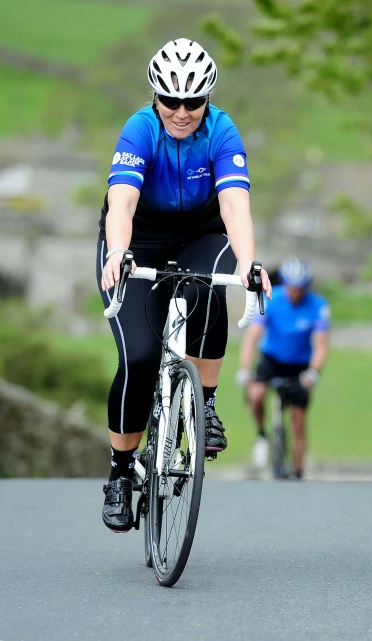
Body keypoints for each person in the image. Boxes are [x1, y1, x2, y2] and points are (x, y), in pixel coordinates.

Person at [97, 38, 272, 533]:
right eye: (170, 101)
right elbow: (122, 200)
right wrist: (117, 252)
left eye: (192, 102)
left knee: (210, 282)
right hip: (137, 240)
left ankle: (206, 405)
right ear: (155, 97)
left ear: (207, 99)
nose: (181, 112)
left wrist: (249, 262)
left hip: (200, 233)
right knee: (138, 358)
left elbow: (235, 203)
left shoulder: (221, 129)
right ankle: (118, 472)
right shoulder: (140, 128)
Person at [236, 257, 330, 479]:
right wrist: (245, 369)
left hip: (300, 364)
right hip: (272, 359)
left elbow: (321, 346)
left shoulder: (318, 306)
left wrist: (313, 371)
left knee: (298, 420)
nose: (295, 293)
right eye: (291, 287)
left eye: (300, 288)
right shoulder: (272, 299)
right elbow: (252, 338)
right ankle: (261, 434)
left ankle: (298, 470)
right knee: (256, 394)